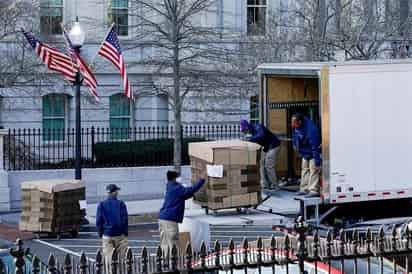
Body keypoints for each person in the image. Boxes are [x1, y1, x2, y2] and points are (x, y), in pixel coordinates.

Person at [159, 171, 205, 254]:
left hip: (162, 218)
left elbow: (185, 195)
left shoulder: (170, 186)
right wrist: (201, 180)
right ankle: (175, 263)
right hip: (170, 219)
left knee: (165, 243)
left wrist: (192, 195)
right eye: (177, 177)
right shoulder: (176, 188)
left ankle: (164, 262)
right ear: (174, 179)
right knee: (173, 242)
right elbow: (190, 190)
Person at [240, 119, 281, 190]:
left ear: (247, 128)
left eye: (244, 131)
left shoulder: (258, 127)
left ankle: (275, 185)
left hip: (273, 146)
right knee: (261, 164)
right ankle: (265, 184)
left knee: (268, 166)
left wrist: (249, 139)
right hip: (267, 147)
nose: (245, 133)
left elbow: (261, 136)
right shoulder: (252, 132)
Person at [96, 184, 128, 273]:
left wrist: (101, 233)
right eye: (116, 191)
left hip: (107, 235)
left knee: (108, 259)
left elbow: (99, 221)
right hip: (120, 235)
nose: (117, 192)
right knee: (122, 259)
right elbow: (124, 219)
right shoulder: (121, 204)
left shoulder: (101, 205)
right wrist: (125, 232)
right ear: (114, 192)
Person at [291, 113, 321, 198]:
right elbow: (294, 135)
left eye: (294, 123)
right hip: (304, 152)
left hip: (312, 152)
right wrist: (295, 144)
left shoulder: (312, 130)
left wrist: (317, 162)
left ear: (300, 122)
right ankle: (304, 189)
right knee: (304, 170)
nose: (293, 125)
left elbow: (315, 147)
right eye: (292, 123)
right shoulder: (296, 125)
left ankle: (313, 190)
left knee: (314, 170)